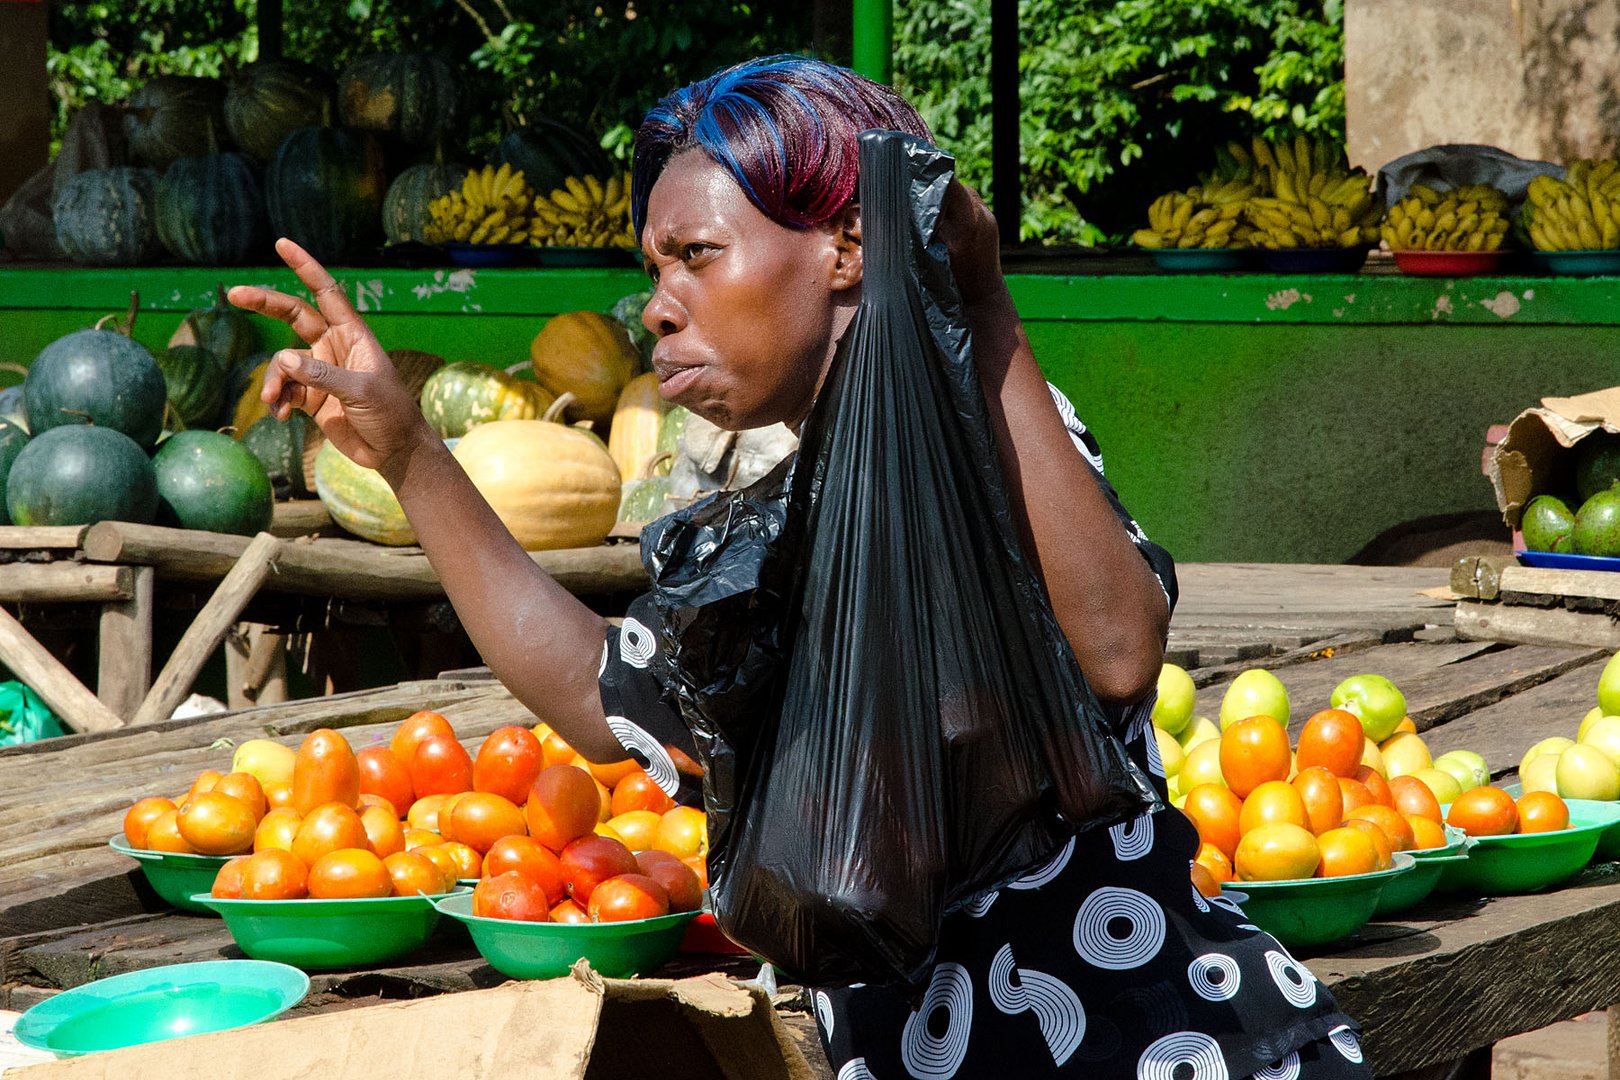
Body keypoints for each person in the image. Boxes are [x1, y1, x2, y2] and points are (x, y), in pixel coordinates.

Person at [230, 53, 1371, 1080]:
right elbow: (606, 696)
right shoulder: (782, 528)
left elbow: (1118, 653)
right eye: (652, 266)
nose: (658, 307)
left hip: (1159, 1052)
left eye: (696, 256)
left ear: (849, 248)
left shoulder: (986, 438)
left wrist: (976, 297)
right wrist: (410, 454)